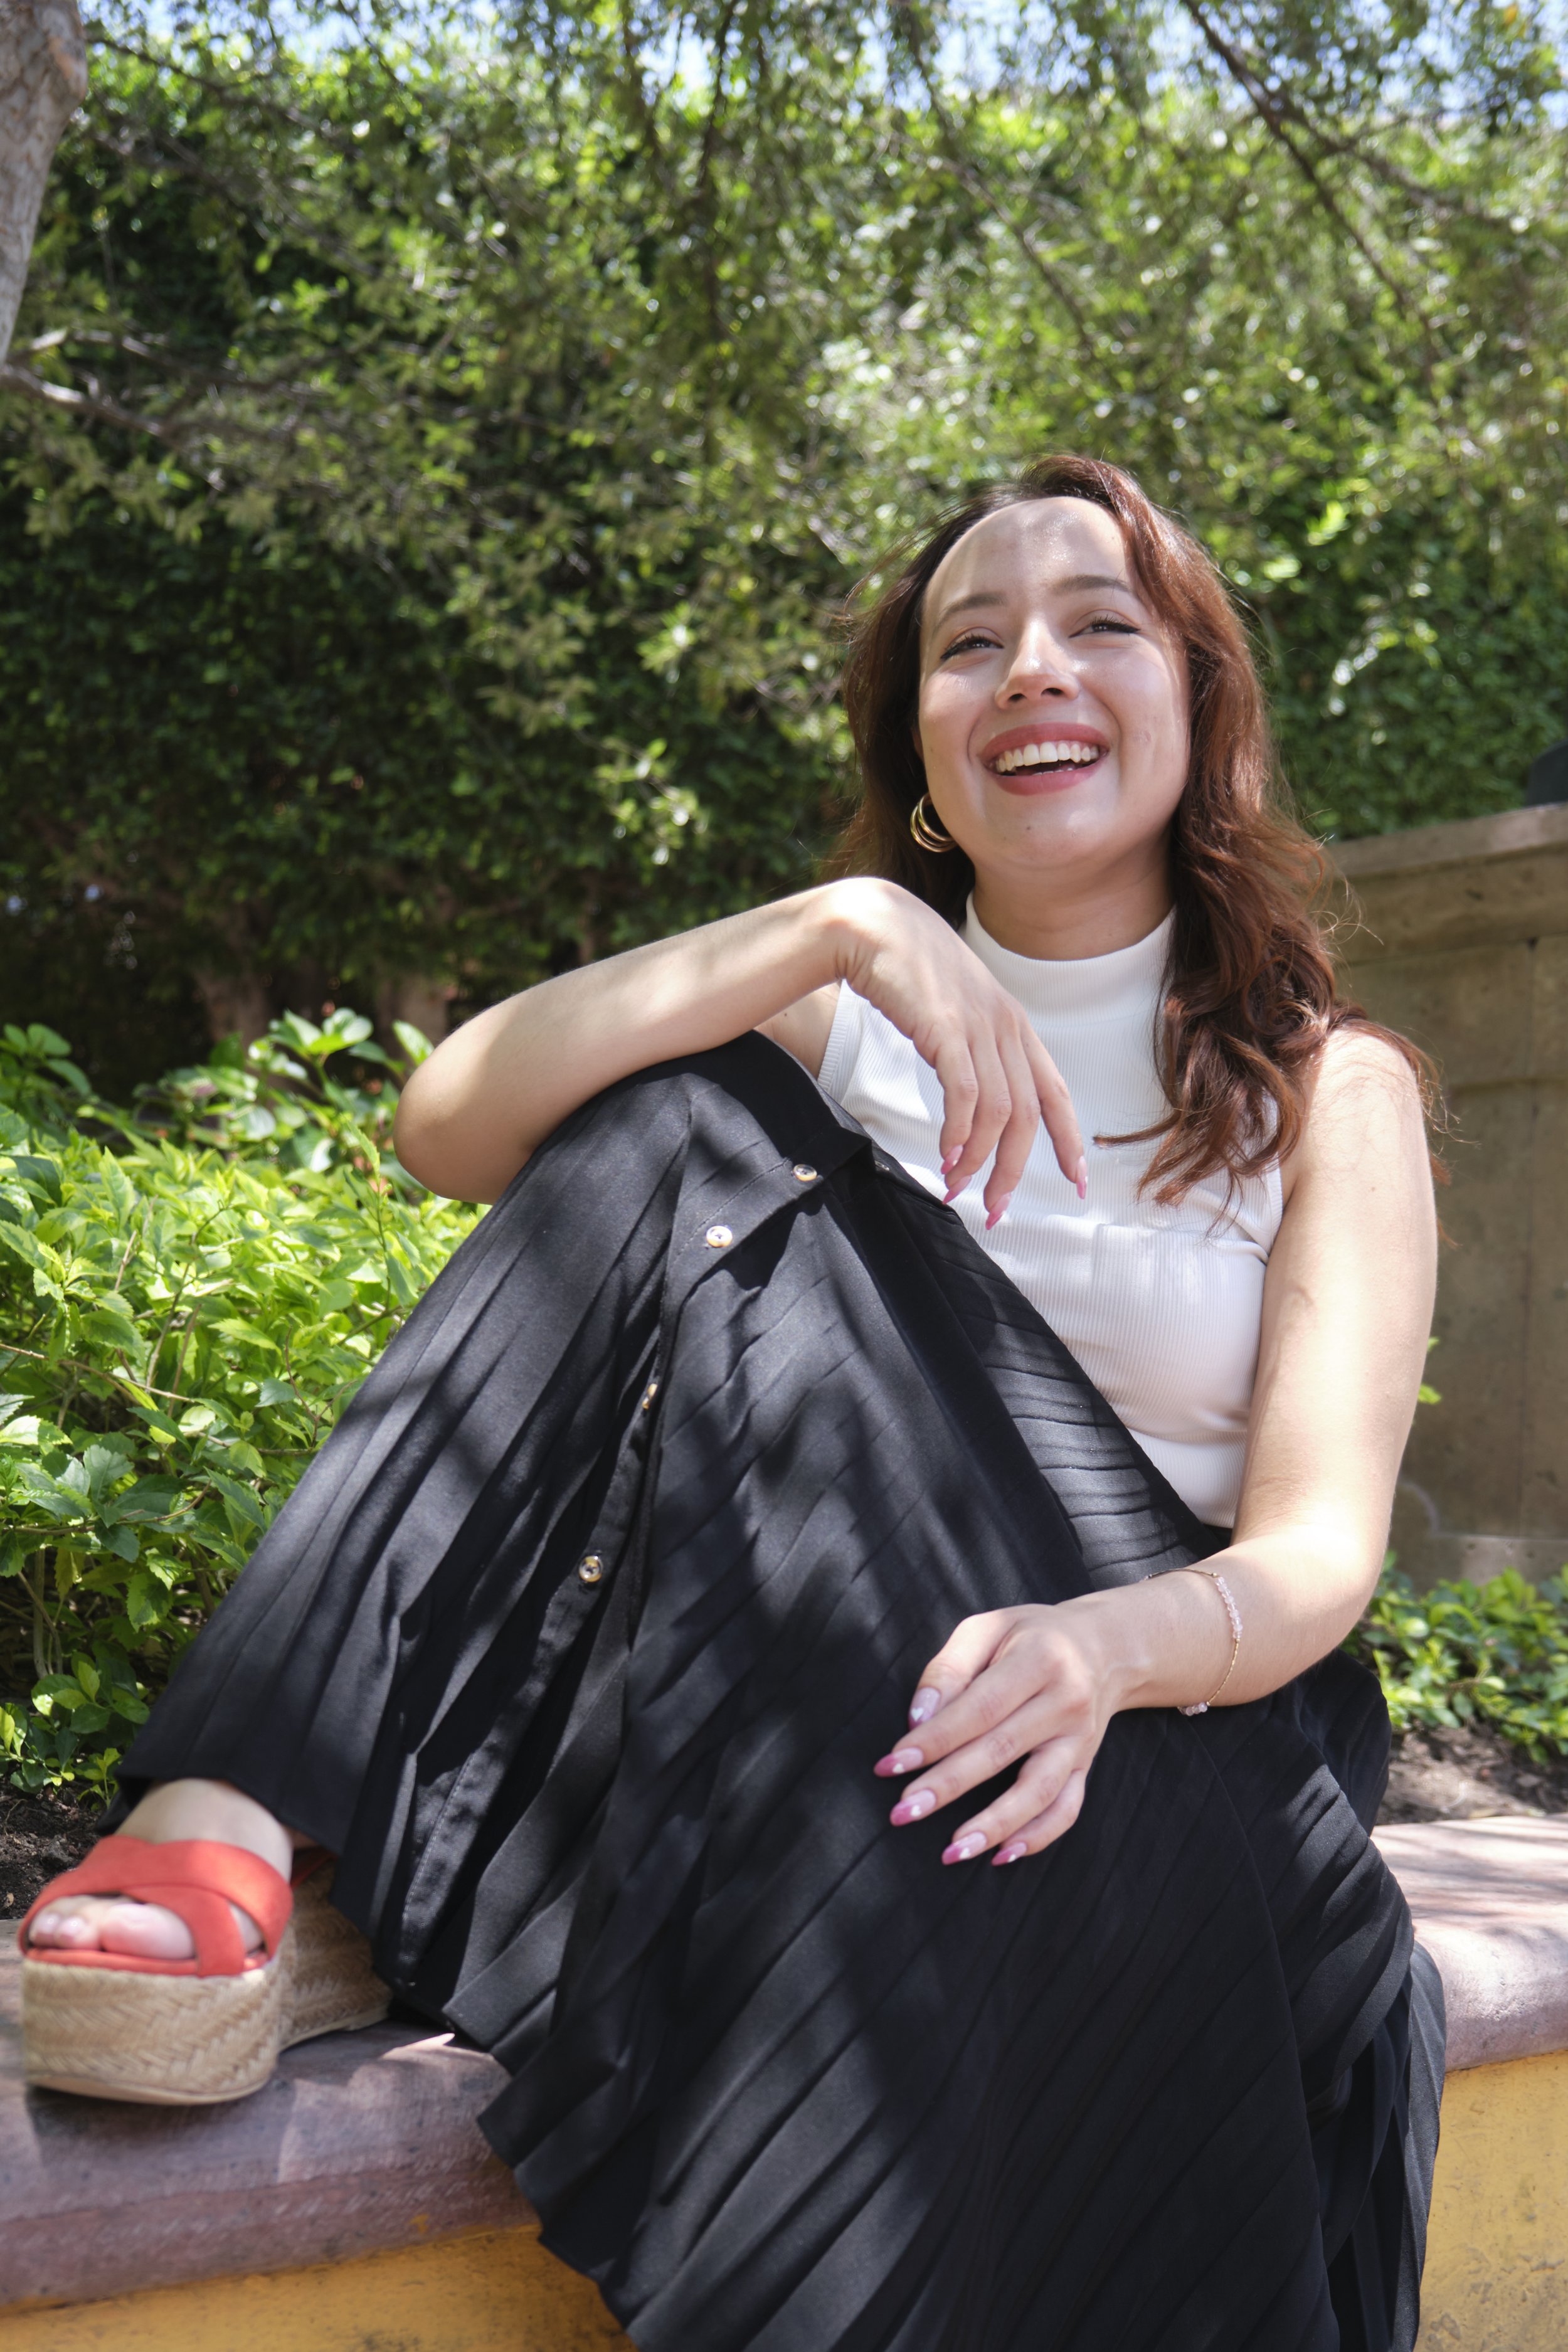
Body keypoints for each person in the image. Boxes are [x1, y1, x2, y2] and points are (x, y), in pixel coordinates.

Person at [20, 456, 1443, 2352]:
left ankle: (332, 1833)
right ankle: (234, 1801)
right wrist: (828, 931)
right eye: (967, 644)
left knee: (705, 1125)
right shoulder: (835, 1018)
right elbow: (447, 1123)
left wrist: (1107, 1648)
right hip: (853, 1672)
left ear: (1198, 702)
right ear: (919, 741)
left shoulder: (1320, 1091)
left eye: (1098, 627)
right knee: (672, 1111)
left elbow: (1316, 1557)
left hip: (1146, 1714)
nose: (1030, 668)